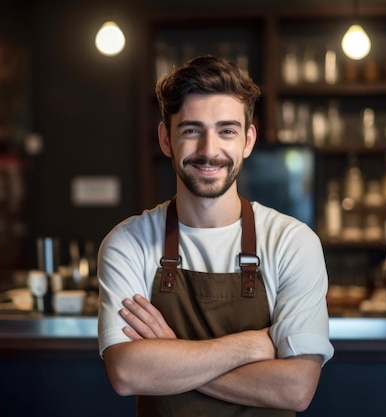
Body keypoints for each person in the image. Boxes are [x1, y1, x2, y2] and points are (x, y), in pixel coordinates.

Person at [97, 54, 334, 417]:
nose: (210, 150)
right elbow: (128, 374)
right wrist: (250, 346)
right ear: (165, 138)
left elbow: (296, 389)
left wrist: (172, 352)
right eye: (192, 130)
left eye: (227, 130)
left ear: (248, 140)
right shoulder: (128, 243)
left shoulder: (291, 242)